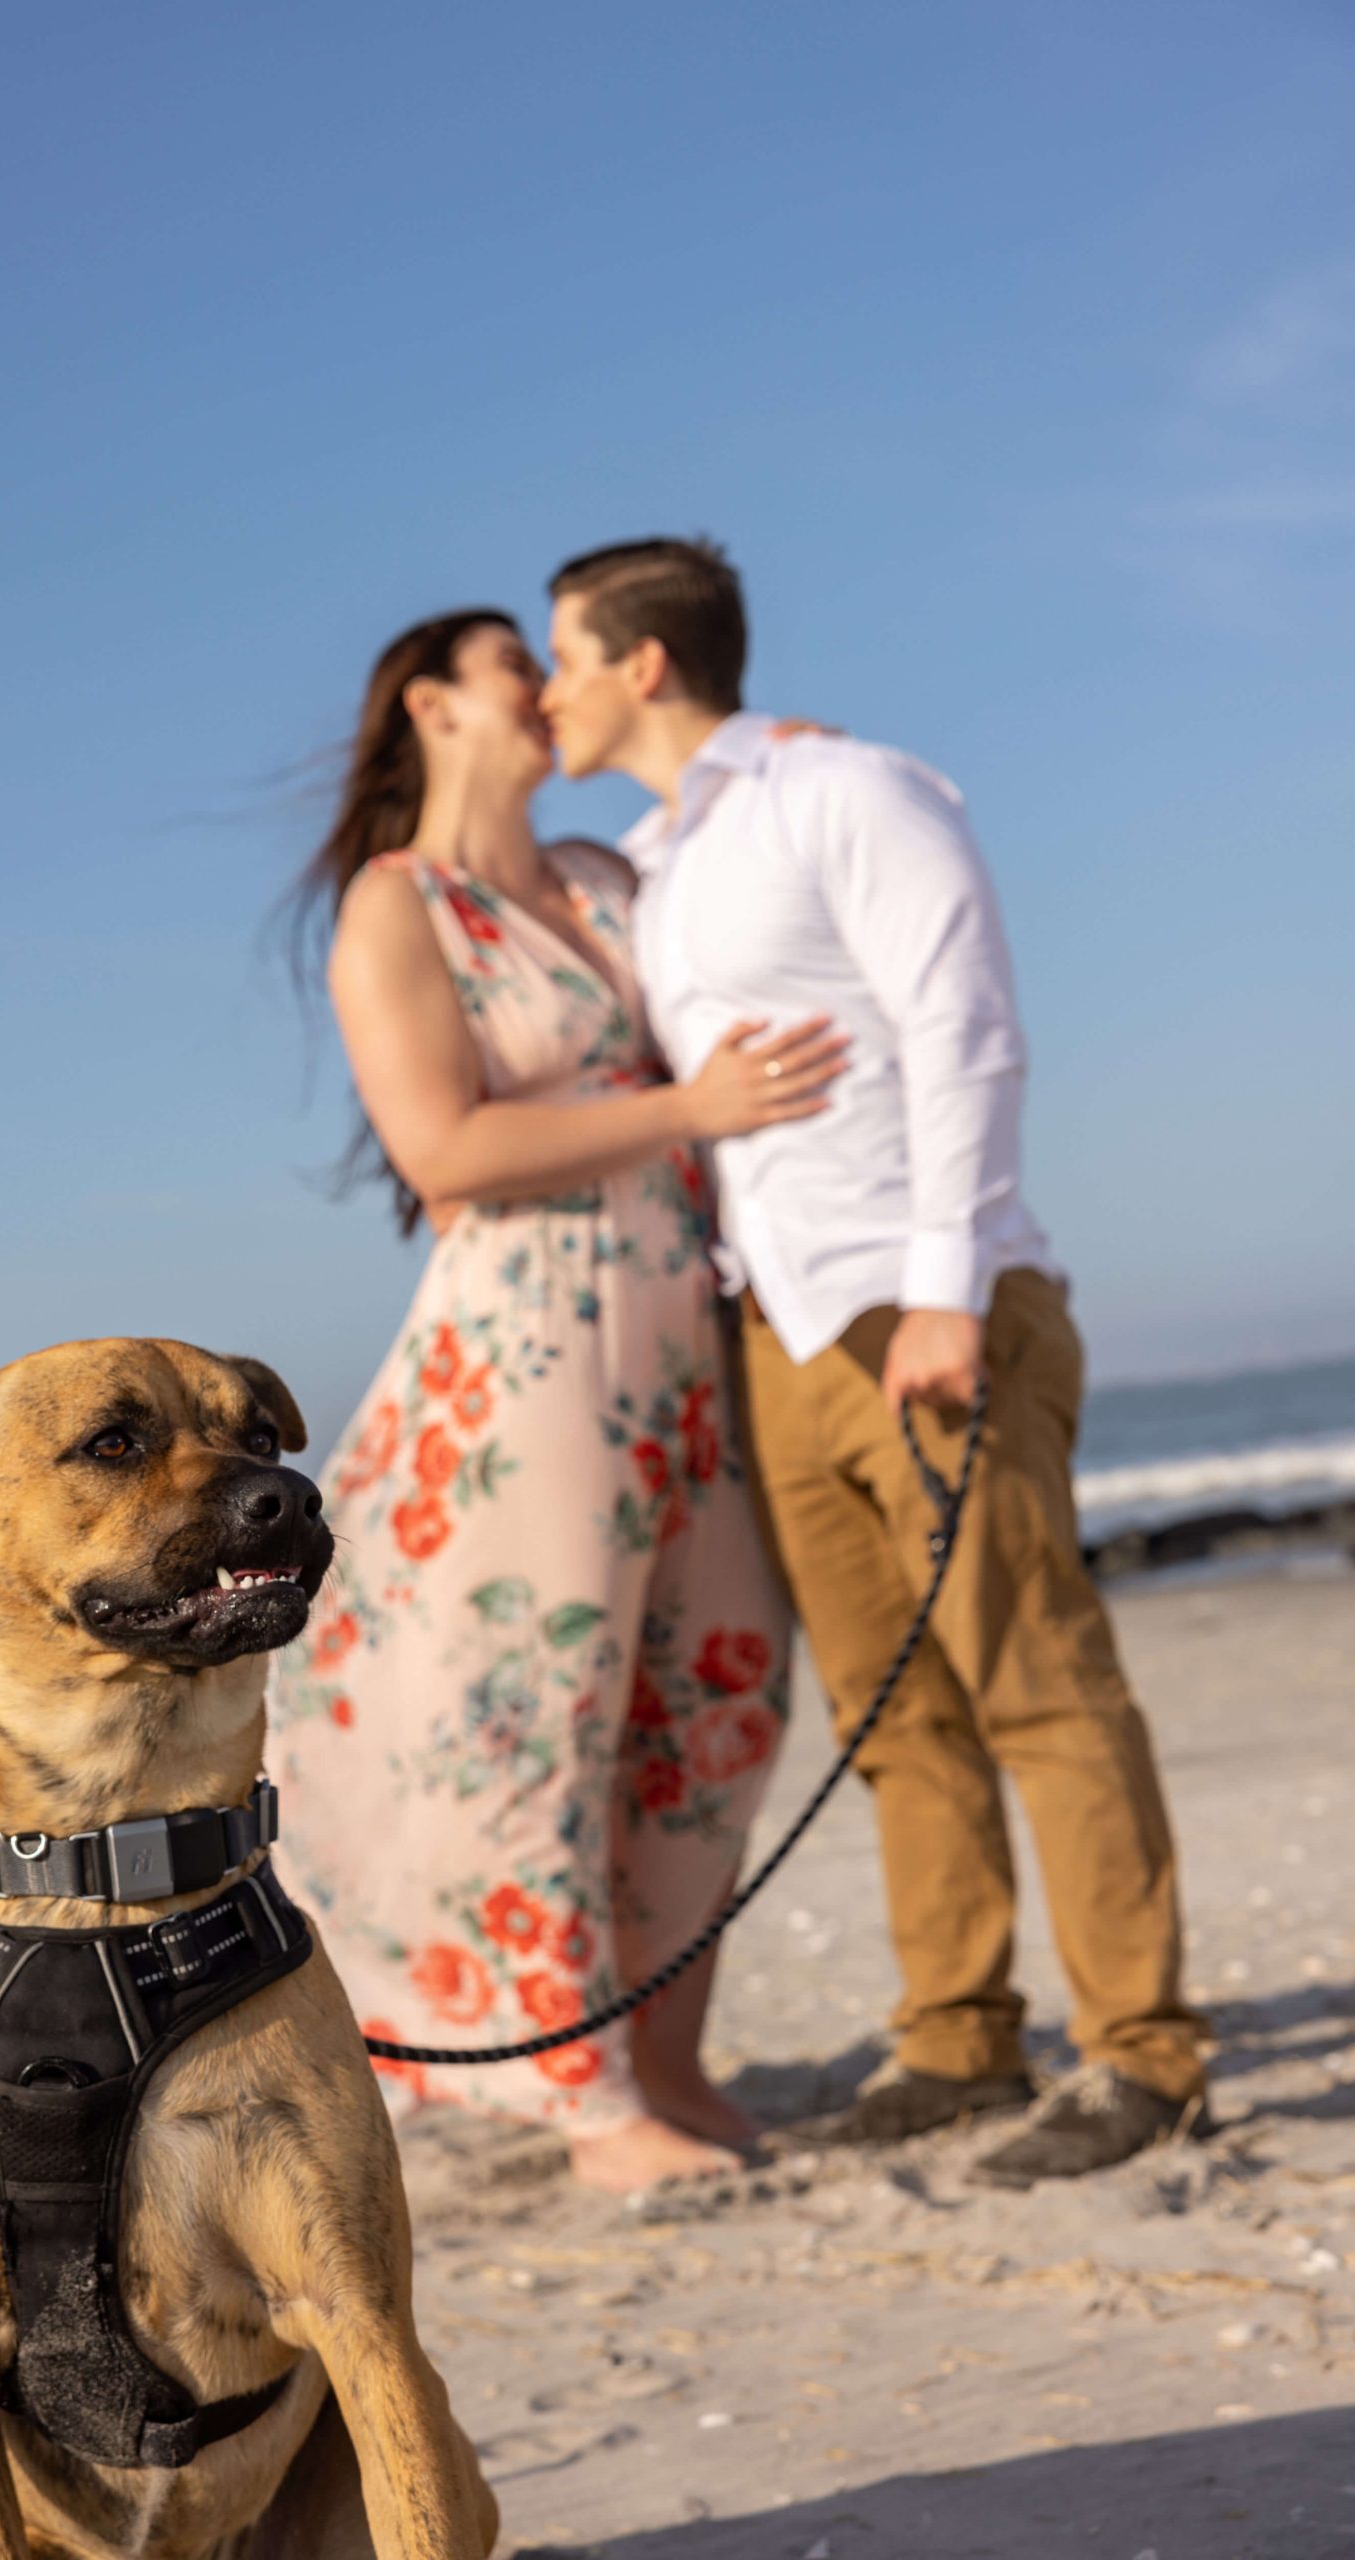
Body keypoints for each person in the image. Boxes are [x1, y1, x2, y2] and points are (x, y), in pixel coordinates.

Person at [539, 539, 1208, 2185]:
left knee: (1036, 1678)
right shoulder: (652, 857)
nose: (547, 688)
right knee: (892, 1708)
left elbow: (963, 1027)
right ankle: (960, 2037)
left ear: (641, 663)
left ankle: (1143, 2053)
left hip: (921, 1307)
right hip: (771, 1331)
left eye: (562, 654)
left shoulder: (850, 791)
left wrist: (947, 1290)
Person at [270, 607, 848, 2193]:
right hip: (526, 1351)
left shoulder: (607, 879)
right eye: (512, 664)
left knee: (720, 1702)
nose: (545, 684)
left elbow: (737, 900)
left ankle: (667, 2050)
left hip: (680, 1339)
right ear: (431, 708)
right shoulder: (396, 912)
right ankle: (585, 2100)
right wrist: (690, 1105)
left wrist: (778, 765)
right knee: (539, 1713)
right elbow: (443, 1151)